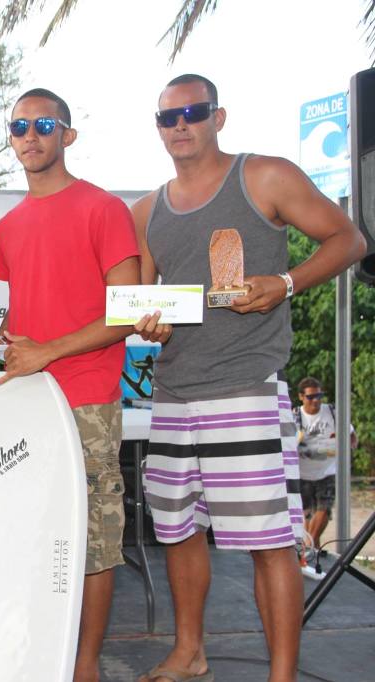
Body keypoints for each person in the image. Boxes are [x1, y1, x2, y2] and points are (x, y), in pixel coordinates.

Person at [131, 74, 366, 682]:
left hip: (245, 388)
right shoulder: (147, 209)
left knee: (269, 542)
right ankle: (190, 652)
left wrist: (285, 283)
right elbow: (139, 301)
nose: (180, 124)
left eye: (193, 112)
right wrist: (147, 325)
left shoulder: (264, 176)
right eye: (167, 117)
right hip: (174, 394)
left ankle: (281, 675)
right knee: (179, 533)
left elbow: (350, 238)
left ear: (219, 116)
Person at [0, 88, 141, 682]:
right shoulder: (9, 226)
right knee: (32, 535)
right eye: (18, 126)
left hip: (87, 397)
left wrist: (49, 352)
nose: (29, 135)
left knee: (92, 540)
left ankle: (85, 666)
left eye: (43, 124)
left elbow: (126, 311)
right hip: (26, 401)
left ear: (67, 135)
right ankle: (43, 657)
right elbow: (19, 315)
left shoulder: (103, 208)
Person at [294, 376, 356, 572]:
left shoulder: (332, 413)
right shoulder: (295, 417)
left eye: (319, 396)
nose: (316, 400)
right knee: (309, 515)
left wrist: (350, 448)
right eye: (311, 397)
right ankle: (314, 549)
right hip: (303, 473)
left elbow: (351, 434)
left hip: (328, 471)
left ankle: (308, 549)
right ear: (301, 397)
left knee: (324, 509)